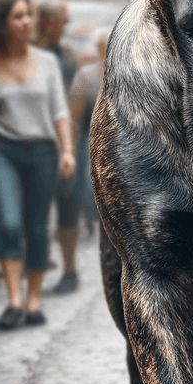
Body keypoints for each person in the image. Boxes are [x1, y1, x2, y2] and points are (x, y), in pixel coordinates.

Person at [0, 0, 76, 329]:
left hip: (43, 150)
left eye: (28, 15)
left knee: (38, 226)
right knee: (9, 223)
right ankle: (14, 300)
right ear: (2, 24)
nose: (27, 21)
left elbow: (60, 109)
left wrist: (68, 148)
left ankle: (33, 301)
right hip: (2, 150)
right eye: (18, 16)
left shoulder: (47, 62)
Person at [32, 0, 81, 294]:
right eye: (62, 22)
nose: (64, 27)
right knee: (35, 211)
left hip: (64, 143)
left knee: (67, 207)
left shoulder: (67, 57)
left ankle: (70, 269)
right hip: (35, 141)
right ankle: (35, 265)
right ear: (50, 23)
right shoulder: (31, 56)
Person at [69, 28, 110, 235]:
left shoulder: (129, 71)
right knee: (88, 181)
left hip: (121, 135)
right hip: (92, 135)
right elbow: (75, 111)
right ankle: (91, 219)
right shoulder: (86, 75)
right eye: (102, 46)